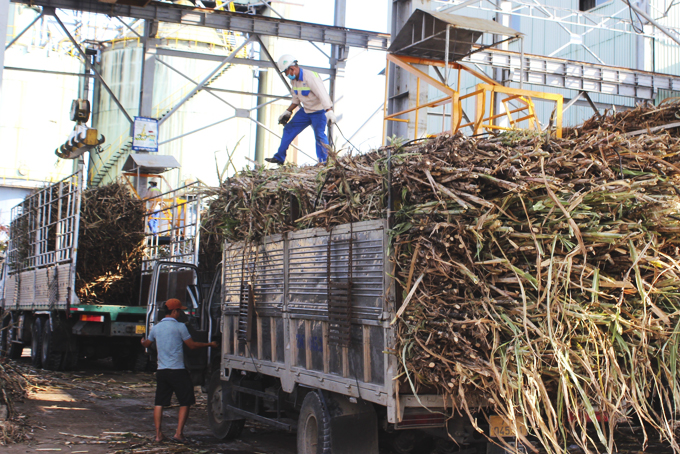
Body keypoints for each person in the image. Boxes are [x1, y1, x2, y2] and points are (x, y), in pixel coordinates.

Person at [140, 298, 218, 443]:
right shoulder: (180, 327)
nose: (180, 313)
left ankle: (158, 435)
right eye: (179, 311)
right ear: (174, 311)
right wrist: (209, 344)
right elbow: (192, 345)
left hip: (162, 371)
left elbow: (147, 343)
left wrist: (142, 341)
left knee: (159, 403)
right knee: (185, 401)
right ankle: (178, 433)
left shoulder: (156, 328)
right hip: (178, 371)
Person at [265, 54, 337, 166]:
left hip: (319, 112)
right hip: (306, 111)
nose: (286, 75)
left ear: (292, 69)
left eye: (286, 72)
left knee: (319, 135)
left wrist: (329, 111)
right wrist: (288, 112)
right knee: (288, 129)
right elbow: (296, 99)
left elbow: (323, 94)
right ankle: (279, 157)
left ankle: (324, 162)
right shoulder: (294, 81)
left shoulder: (311, 77)